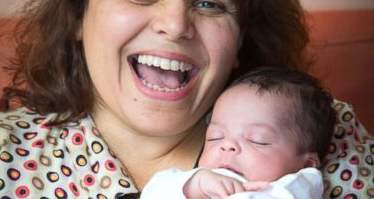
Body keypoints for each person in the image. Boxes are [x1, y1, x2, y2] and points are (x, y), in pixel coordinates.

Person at [0, 0, 372, 198]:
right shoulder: (0, 153)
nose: (175, 26)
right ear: (77, 13)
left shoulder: (322, 130)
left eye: (209, 3)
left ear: (240, 40)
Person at [140, 67, 336, 199]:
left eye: (257, 140)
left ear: (306, 164)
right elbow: (152, 193)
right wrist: (192, 185)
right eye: (215, 137)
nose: (227, 145)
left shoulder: (294, 187)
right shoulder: (194, 180)